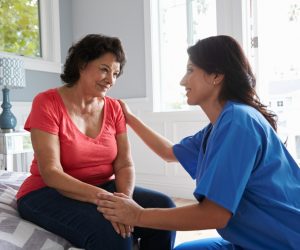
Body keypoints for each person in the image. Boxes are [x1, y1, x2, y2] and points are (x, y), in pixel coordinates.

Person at [97, 35, 300, 249]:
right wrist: (130, 118)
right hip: (246, 242)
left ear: (216, 76)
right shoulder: (220, 125)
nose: (183, 81)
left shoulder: (239, 123)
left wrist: (137, 215)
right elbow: (168, 152)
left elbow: (214, 215)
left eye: (191, 70)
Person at [16, 34, 175, 250]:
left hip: (102, 187)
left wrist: (124, 202)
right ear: (82, 64)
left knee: (164, 209)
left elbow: (124, 164)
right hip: (46, 192)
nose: (111, 80)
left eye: (116, 73)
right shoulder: (47, 103)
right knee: (114, 234)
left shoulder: (114, 107)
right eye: (104, 69)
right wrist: (107, 201)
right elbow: (51, 172)